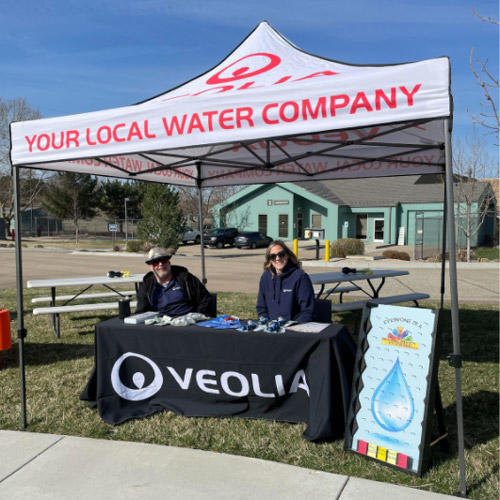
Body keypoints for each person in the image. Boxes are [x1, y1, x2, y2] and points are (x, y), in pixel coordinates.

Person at [136, 247, 212, 317]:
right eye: (156, 262)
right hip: (160, 325)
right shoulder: (147, 285)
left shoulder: (186, 278)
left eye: (164, 260)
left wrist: (197, 318)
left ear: (169, 263)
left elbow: (205, 299)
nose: (161, 264)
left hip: (187, 323)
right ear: (151, 267)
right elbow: (141, 310)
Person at [256, 240, 315, 322]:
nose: (278, 258)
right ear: (269, 260)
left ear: (287, 255)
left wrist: (292, 327)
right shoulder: (265, 277)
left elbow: (307, 311)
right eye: (273, 256)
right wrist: (267, 324)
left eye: (281, 254)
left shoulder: (300, 277)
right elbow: (261, 308)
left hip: (293, 329)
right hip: (271, 329)